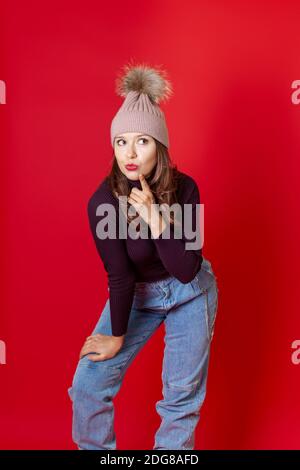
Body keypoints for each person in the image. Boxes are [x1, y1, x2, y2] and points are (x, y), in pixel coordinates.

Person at [67, 61, 219, 450]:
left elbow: (187, 269)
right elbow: (119, 275)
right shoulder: (103, 202)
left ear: (160, 146)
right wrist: (117, 335)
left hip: (191, 294)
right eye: (121, 141)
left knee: (180, 399)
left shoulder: (186, 190)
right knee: (87, 385)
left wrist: (156, 220)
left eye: (142, 141)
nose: (129, 153)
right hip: (138, 295)